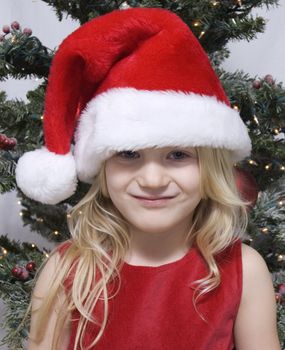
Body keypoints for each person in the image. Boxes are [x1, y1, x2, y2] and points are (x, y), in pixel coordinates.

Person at [15, 7, 280, 350]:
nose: (153, 179)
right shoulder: (67, 272)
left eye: (178, 155)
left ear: (210, 168)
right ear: (103, 168)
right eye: (128, 155)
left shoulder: (244, 270)